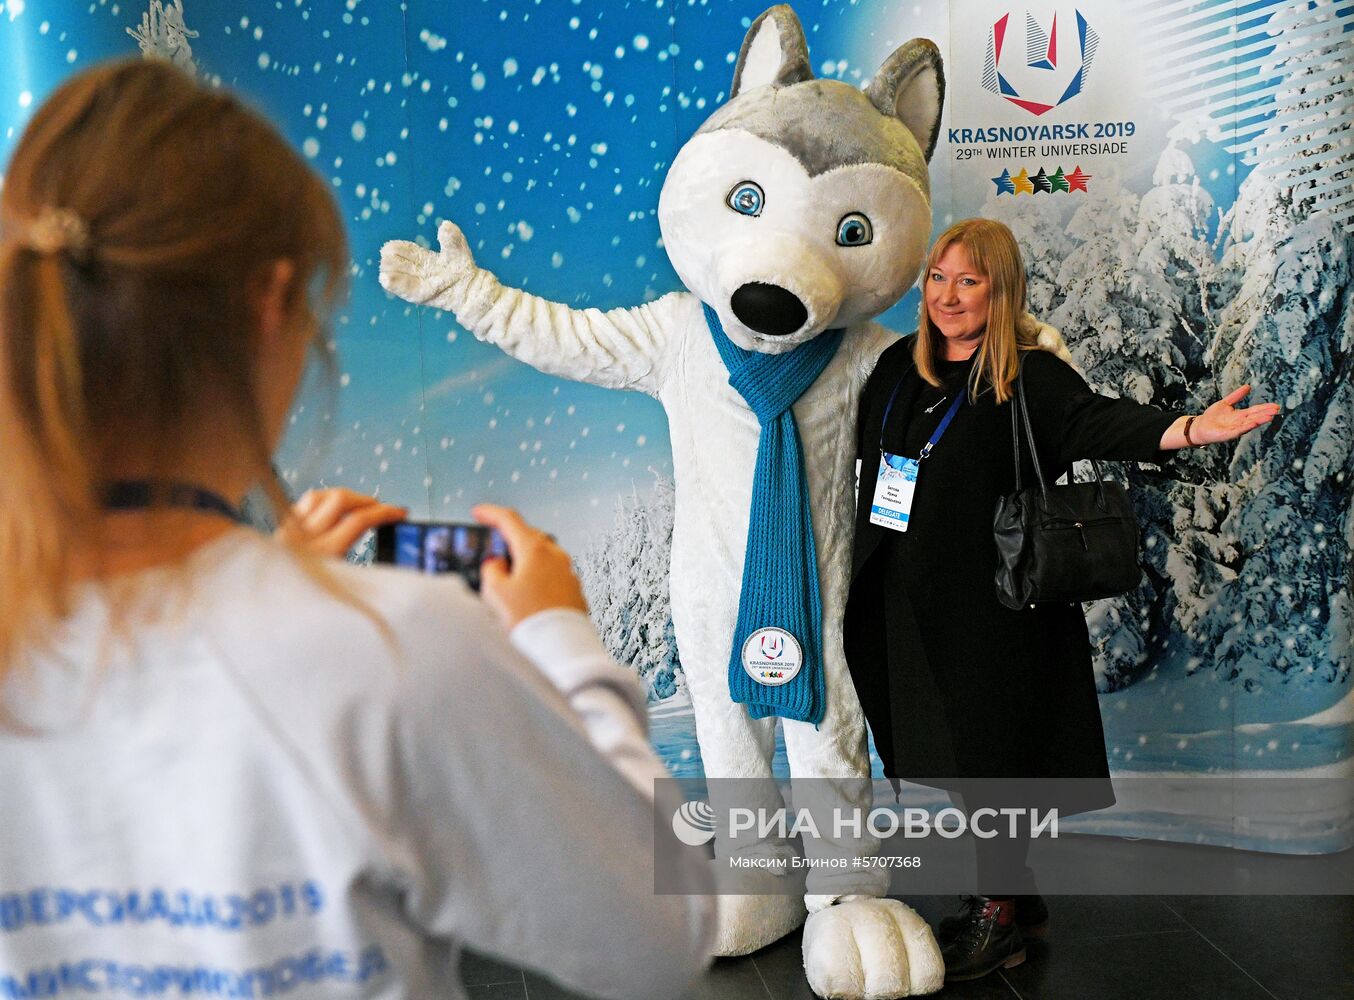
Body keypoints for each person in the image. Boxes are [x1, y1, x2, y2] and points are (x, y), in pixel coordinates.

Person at [0, 60, 714, 999]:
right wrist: (563, 638)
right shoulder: (394, 649)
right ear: (269, 303)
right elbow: (660, 941)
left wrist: (260, 576)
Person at [843, 218, 1278, 982]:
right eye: (938, 279)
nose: (947, 296)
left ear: (1001, 290)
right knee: (951, 752)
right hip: (907, 600)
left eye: (968, 281)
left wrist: (1187, 428)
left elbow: (1101, 422)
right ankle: (1018, 894)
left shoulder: (1028, 378)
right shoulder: (895, 372)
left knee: (990, 759)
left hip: (996, 609)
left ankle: (996, 916)